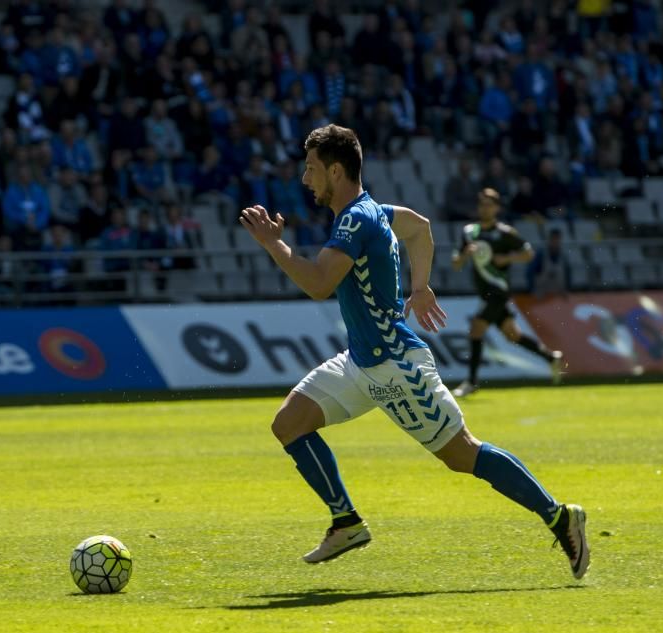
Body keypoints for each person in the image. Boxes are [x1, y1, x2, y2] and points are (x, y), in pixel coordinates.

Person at [238, 124, 589, 579]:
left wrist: (273, 245)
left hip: (395, 366)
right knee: (289, 423)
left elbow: (320, 284)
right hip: (362, 360)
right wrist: (420, 285)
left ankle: (560, 517)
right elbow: (420, 229)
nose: (305, 179)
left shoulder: (355, 219)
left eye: (311, 169)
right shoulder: (374, 211)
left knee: (462, 454)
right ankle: (345, 521)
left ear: (336, 170)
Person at [451, 188, 564, 398]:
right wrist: (465, 255)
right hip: (485, 293)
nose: (485, 208)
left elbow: (528, 253)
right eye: (482, 204)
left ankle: (471, 382)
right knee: (513, 335)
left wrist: (508, 258)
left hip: (498, 291)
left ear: (497, 208)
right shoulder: (469, 232)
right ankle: (551, 357)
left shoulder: (505, 232)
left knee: (476, 329)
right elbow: (456, 263)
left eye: (489, 204)